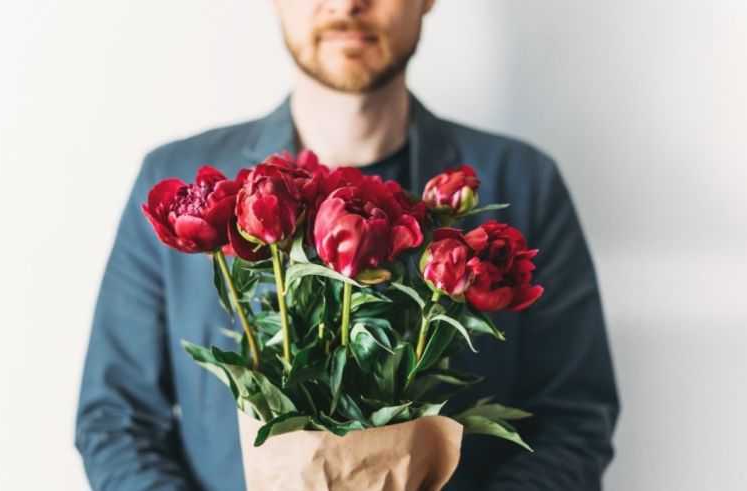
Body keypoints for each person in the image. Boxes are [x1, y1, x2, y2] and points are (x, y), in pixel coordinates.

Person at [75, 1, 620, 489]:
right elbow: (115, 421)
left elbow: (574, 419)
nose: (346, 4)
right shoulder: (173, 177)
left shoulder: (524, 183)